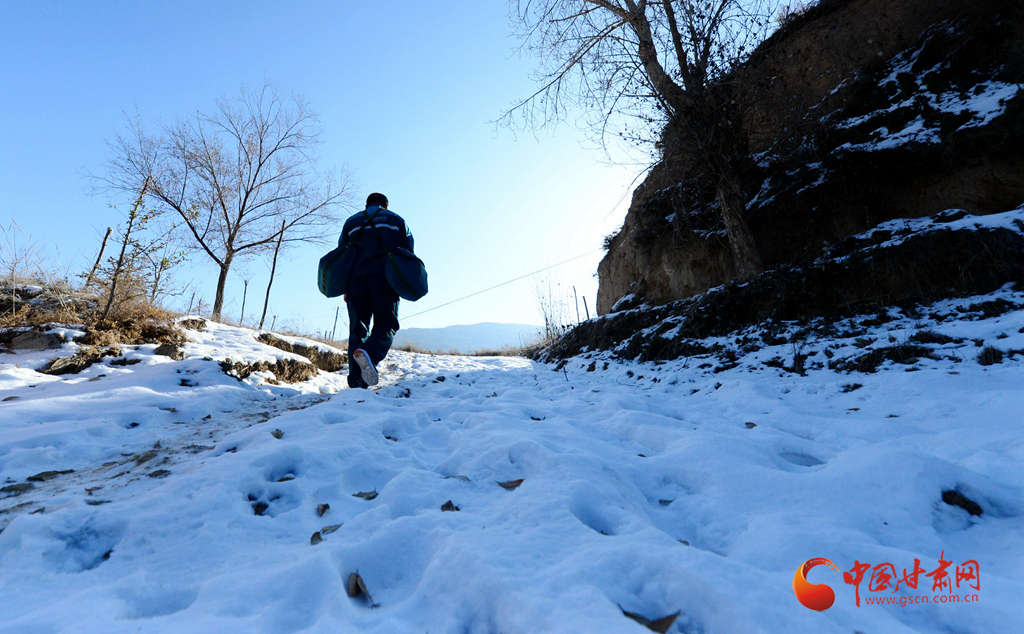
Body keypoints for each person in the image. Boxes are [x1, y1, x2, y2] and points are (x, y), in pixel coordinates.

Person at [339, 192, 414, 388]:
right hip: (385, 281)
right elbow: (408, 254)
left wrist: (346, 287)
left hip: (355, 283)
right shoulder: (396, 220)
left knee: (357, 330)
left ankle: (356, 382)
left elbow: (342, 256)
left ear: (367, 205)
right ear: (386, 206)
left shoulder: (351, 222)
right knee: (387, 325)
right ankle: (370, 355)